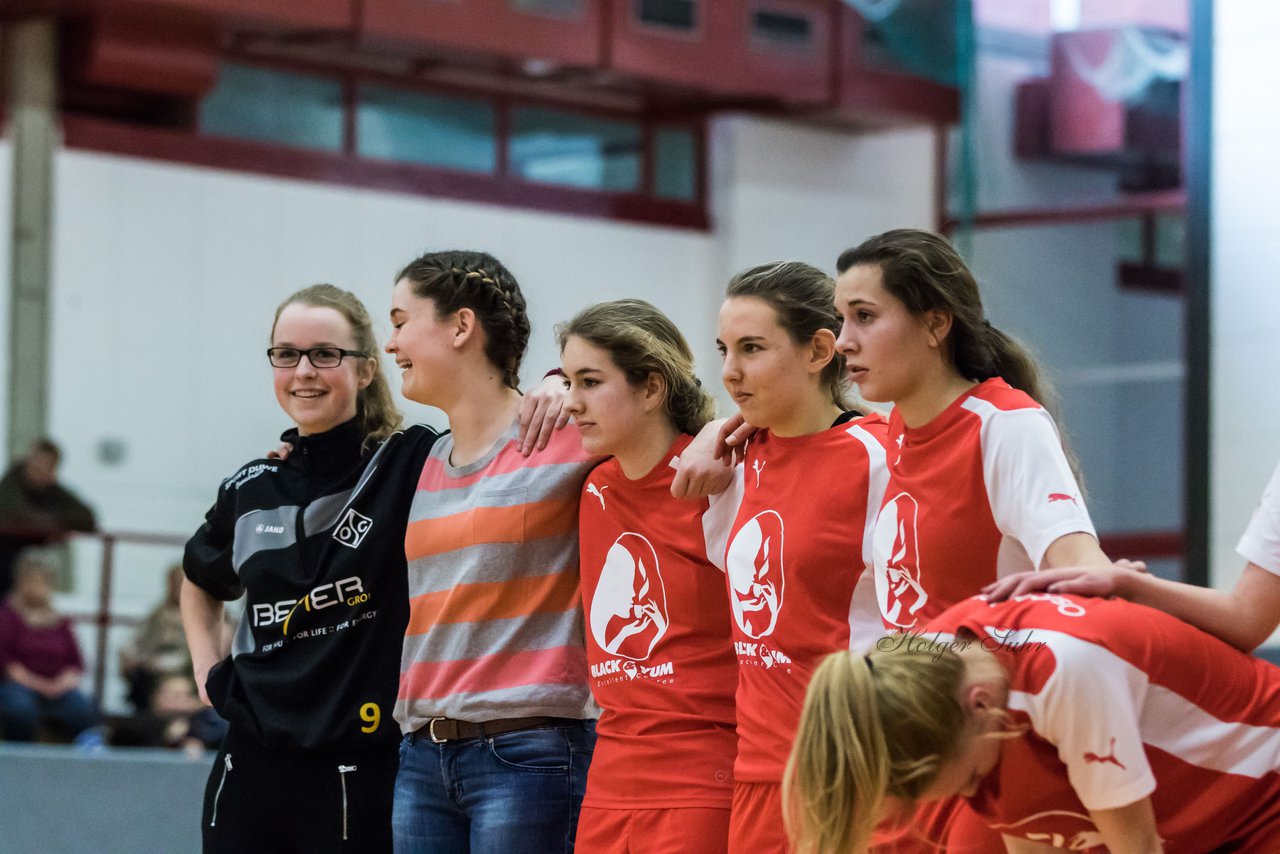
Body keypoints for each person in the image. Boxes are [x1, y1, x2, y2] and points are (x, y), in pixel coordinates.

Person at [181, 283, 446, 853]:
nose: (304, 371)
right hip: (247, 762)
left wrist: (551, 386)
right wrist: (209, 671)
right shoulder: (251, 485)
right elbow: (199, 581)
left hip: (359, 767)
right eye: (286, 354)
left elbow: (490, 428)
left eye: (326, 354)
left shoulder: (409, 464)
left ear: (367, 369)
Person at [386, 250, 601, 853]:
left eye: (402, 321)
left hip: (528, 750)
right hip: (422, 754)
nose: (390, 343)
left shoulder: (565, 434)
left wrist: (568, 381)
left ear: (460, 327)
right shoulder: (425, 460)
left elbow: (678, 411)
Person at [786, 592, 1280, 854]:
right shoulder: (927, 677)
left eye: (975, 779)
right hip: (1184, 816)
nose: (978, 794)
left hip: (1261, 797)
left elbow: (1139, 847)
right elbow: (1031, 826)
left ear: (980, 708)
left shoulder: (1065, 676)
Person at [712, 262, 892, 854]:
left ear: (819, 350)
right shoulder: (732, 458)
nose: (731, 372)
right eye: (724, 350)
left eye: (752, 348)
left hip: (854, 770)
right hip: (757, 774)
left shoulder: (880, 455)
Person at [558, 300, 739, 853]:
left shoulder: (723, 480)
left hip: (701, 773)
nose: (572, 403)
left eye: (589, 382)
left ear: (651, 389)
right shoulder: (593, 488)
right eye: (568, 382)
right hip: (609, 773)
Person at [983, 456, 1280, 652]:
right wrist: (1129, 585)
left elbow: (1247, 618)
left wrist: (1128, 585)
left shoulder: (1010, 421)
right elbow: (1247, 617)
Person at [0, 552, 99, 741]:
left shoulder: (60, 620)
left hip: (57, 687)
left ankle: (86, 761)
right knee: (20, 710)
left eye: (43, 581)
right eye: (32, 580)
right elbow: (7, 663)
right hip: (18, 685)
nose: (38, 587)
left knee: (84, 708)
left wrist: (61, 684)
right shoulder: (7, 616)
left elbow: (75, 662)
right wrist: (40, 685)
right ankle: (21, 760)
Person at [0, 438, 97, 596]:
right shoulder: (11, 482)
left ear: (52, 470)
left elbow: (87, 517)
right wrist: (52, 527)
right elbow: (15, 512)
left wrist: (52, 525)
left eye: (44, 465)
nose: (36, 468)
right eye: (35, 462)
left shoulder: (52, 492)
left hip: (32, 566)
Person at [120, 563, 198, 712]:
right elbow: (136, 644)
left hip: (187, 672)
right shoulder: (157, 615)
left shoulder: (205, 614)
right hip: (153, 673)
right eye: (175, 582)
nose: (178, 587)